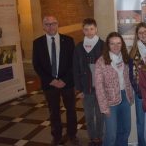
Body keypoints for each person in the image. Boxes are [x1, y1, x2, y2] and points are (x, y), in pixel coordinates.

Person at [32, 15, 78, 146]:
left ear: (58, 24)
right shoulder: (37, 42)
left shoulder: (68, 40)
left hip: (67, 83)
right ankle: (56, 136)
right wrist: (50, 80)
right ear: (43, 26)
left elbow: (73, 63)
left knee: (71, 110)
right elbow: (37, 65)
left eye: (53, 23)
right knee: (54, 111)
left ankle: (72, 134)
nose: (51, 26)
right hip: (49, 84)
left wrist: (64, 79)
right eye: (47, 24)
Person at [94, 32, 133, 146]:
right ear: (108, 45)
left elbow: (129, 79)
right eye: (112, 44)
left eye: (118, 43)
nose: (116, 46)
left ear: (122, 44)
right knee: (111, 134)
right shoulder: (101, 62)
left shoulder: (126, 58)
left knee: (125, 130)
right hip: (110, 102)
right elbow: (99, 86)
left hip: (125, 98)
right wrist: (104, 107)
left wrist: (130, 96)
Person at [73, 18, 104, 146]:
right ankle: (92, 137)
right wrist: (79, 90)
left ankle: (100, 136)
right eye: (86, 29)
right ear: (82, 30)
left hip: (100, 87)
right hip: (86, 88)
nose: (89, 32)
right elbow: (75, 68)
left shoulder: (103, 45)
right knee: (89, 115)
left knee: (100, 114)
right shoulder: (79, 47)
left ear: (96, 29)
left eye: (92, 29)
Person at [128, 22, 146, 146]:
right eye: (140, 33)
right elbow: (131, 74)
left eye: (145, 32)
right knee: (141, 122)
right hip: (141, 94)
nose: (143, 34)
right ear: (137, 35)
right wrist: (138, 90)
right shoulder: (133, 52)